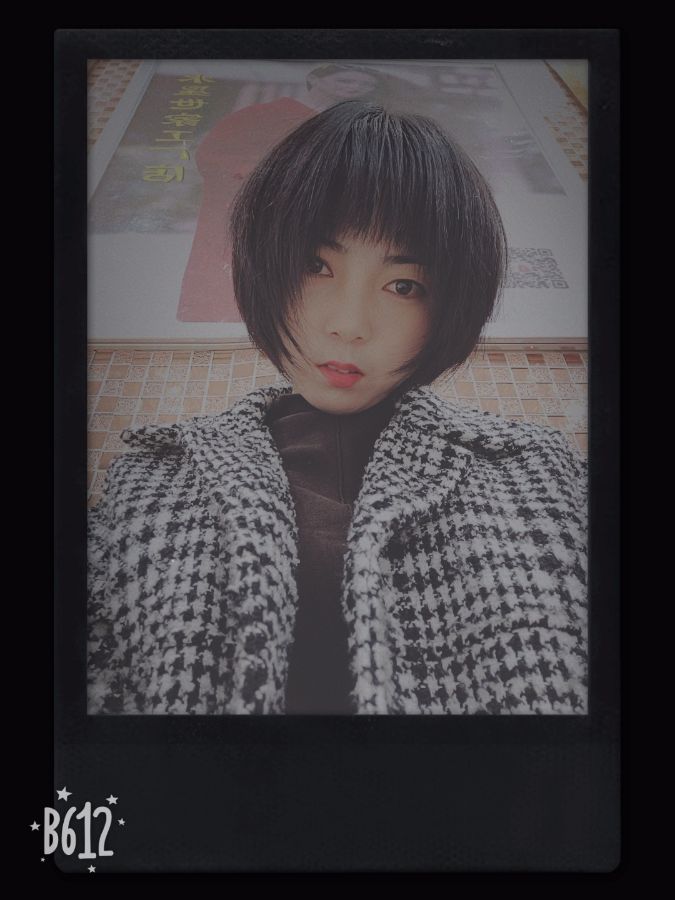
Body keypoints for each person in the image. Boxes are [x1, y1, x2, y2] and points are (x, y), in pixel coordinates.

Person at [88, 100, 588, 716]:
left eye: (403, 285)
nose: (349, 325)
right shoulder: (146, 483)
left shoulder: (543, 476)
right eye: (315, 265)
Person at [178, 64, 381, 321]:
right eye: (345, 80)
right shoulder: (264, 114)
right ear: (315, 79)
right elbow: (213, 154)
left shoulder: (347, 125)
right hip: (257, 210)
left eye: (364, 85)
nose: (354, 88)